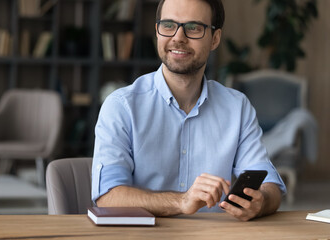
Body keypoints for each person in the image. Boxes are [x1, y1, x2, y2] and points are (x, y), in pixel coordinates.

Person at [92, 0, 286, 221]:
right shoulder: (121, 106)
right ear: (157, 31)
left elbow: (270, 186)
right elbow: (108, 197)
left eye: (193, 27)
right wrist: (181, 201)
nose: (178, 37)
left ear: (215, 39)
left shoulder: (237, 107)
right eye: (168, 25)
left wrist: (261, 203)